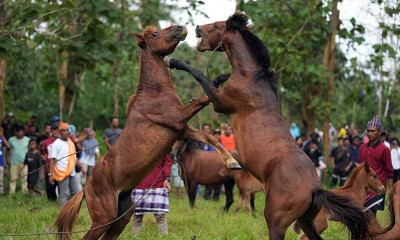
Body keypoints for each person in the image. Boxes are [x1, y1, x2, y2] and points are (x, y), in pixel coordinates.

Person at [359, 115, 393, 216]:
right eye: (368, 131)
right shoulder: (362, 147)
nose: (370, 133)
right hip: (364, 187)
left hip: (377, 188)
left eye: (373, 131)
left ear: (379, 132)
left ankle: (375, 232)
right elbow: (360, 168)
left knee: (372, 216)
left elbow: (390, 171)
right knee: (362, 216)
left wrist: (391, 191)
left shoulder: (384, 149)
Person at [131, 154, 172, 236]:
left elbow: (167, 161)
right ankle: (134, 237)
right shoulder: (136, 144)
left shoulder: (162, 144)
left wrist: (167, 179)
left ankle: (164, 237)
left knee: (160, 215)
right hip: (139, 184)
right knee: (137, 215)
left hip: (157, 184)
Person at [48, 122, 85, 207]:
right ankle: (63, 215)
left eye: (68, 130)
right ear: (60, 132)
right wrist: (51, 175)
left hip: (72, 171)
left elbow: (74, 158)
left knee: (76, 192)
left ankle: (67, 207)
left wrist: (82, 166)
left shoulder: (70, 142)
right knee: (64, 194)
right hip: (62, 172)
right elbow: (52, 160)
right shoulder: (56, 144)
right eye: (64, 131)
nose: (67, 132)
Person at [7, 125, 30, 194]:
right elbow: (7, 150)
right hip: (14, 163)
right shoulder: (11, 139)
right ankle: (11, 194)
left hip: (24, 163)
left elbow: (30, 151)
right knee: (13, 179)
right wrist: (7, 158)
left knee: (25, 180)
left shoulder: (27, 139)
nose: (18, 133)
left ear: (23, 132)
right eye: (17, 131)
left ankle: (24, 193)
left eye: (20, 131)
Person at [41, 122, 59, 201]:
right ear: (51, 131)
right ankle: (51, 203)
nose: (56, 131)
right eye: (54, 130)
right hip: (49, 168)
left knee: (61, 188)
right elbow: (41, 151)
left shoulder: (62, 141)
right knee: (50, 188)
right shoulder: (45, 142)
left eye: (57, 130)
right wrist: (42, 156)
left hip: (60, 168)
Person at [204, 129, 223, 201]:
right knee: (209, 183)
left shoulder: (222, 145)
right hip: (209, 167)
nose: (217, 135)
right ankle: (206, 197)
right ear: (213, 135)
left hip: (219, 167)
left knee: (218, 182)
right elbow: (205, 154)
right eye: (215, 134)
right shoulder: (209, 144)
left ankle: (216, 198)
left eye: (219, 134)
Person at [0, 128, 10, 194]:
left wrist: (2, 135)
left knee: (0, 180)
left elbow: (8, 146)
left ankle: (1, 193)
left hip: (0, 163)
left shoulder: (1, 138)